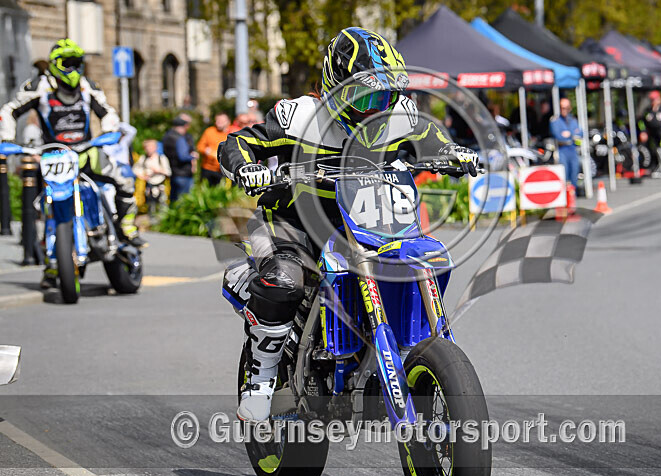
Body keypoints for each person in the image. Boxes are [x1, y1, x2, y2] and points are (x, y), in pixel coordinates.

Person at [218, 27, 478, 423]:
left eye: (387, 94)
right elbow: (237, 143)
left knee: (420, 259)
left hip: (371, 223)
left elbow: (431, 139)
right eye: (369, 95)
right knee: (287, 280)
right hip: (293, 223)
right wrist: (249, 169)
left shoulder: (399, 115)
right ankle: (262, 377)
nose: (380, 105)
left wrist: (452, 153)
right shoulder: (299, 116)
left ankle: (415, 353)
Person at [0, 38, 145, 286]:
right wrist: (7, 138)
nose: (74, 69)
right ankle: (52, 264)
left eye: (78, 63)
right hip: (53, 156)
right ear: (56, 64)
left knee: (124, 180)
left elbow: (107, 111)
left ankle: (127, 226)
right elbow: (9, 110)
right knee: (43, 205)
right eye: (69, 63)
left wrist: (109, 130)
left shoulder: (87, 86)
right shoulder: (38, 86)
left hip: (87, 151)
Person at [162, 116, 197, 203]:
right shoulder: (179, 138)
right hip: (183, 173)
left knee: (173, 199)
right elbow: (183, 156)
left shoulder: (167, 136)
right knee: (183, 201)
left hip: (173, 171)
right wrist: (193, 156)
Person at [550, 98, 582, 190]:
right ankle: (565, 199)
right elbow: (558, 136)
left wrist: (570, 134)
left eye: (566, 108)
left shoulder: (573, 120)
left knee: (574, 174)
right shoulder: (555, 121)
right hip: (562, 149)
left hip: (572, 149)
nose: (564, 110)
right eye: (562, 108)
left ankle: (573, 197)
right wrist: (572, 135)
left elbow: (580, 133)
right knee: (565, 174)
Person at [133, 139, 171, 214]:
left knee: (163, 205)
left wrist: (158, 170)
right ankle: (151, 220)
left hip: (160, 185)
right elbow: (135, 170)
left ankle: (163, 221)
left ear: (155, 148)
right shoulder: (143, 158)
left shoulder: (161, 158)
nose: (148, 149)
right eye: (146, 148)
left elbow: (168, 172)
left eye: (150, 147)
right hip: (149, 186)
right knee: (151, 205)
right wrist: (142, 175)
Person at [197, 112, 232, 186]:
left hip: (223, 170)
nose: (219, 123)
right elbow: (200, 146)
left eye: (222, 121)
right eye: (217, 120)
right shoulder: (209, 131)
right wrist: (207, 151)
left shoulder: (231, 134)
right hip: (207, 168)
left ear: (228, 122)